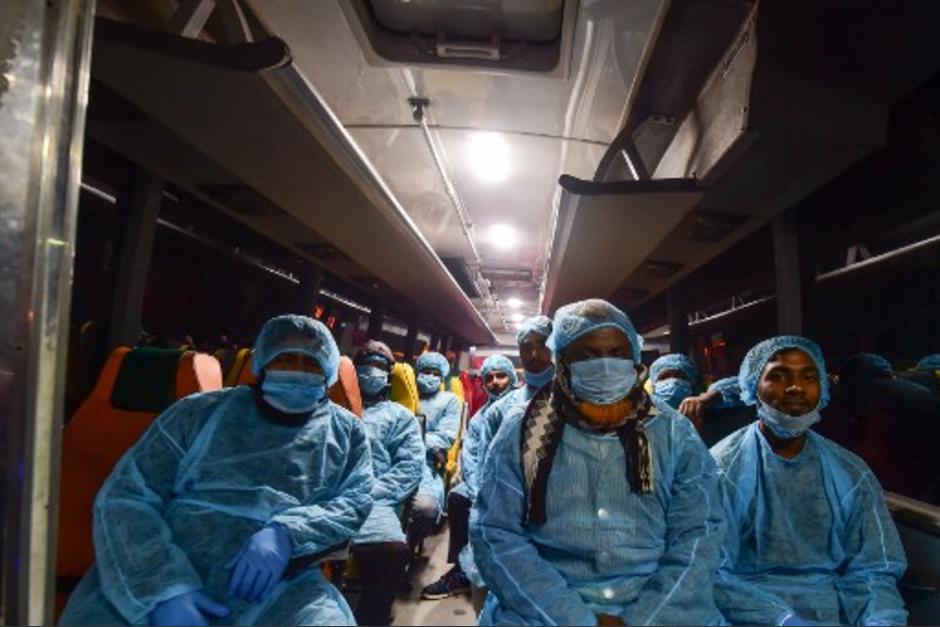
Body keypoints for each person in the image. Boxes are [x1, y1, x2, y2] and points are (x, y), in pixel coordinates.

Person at [59, 314, 374, 626]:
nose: (298, 371)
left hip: (281, 587)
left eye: (311, 363)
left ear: (328, 372)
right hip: (167, 561)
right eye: (287, 359)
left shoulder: (346, 432)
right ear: (263, 363)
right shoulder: (199, 412)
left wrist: (288, 533)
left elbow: (355, 500)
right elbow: (127, 496)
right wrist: (163, 588)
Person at [471, 299, 724, 626]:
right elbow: (495, 532)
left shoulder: (673, 431)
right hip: (544, 607)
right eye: (588, 356)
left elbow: (700, 534)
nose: (605, 366)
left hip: (658, 602)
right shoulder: (522, 429)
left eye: (617, 354)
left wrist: (642, 619)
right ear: (562, 363)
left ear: (634, 359)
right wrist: (572, 618)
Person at [711, 336, 907, 626]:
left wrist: (881, 620)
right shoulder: (722, 468)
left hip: (831, 613)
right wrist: (780, 620)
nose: (796, 387)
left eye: (809, 377)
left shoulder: (850, 472)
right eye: (779, 376)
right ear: (753, 386)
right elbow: (709, 571)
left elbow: (874, 570)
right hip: (745, 615)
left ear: (822, 387)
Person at [421, 354, 518, 600]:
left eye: (501, 376)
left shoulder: (524, 409)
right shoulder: (478, 419)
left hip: (517, 484)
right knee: (458, 497)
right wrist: (478, 492)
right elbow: (471, 457)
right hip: (483, 484)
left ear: (512, 378)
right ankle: (462, 569)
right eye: (489, 377)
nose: (495, 382)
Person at [351, 341, 425, 625]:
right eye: (366, 364)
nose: (372, 370)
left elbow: (409, 468)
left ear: (389, 374)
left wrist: (369, 493)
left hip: (375, 500)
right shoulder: (334, 408)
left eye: (379, 365)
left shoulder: (400, 417)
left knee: (391, 553)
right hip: (328, 496)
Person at [407, 351, 461, 551]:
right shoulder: (405, 394)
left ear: (442, 376)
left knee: (426, 509)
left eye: (435, 373)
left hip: (426, 463)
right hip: (392, 458)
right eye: (425, 371)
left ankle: (409, 547)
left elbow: (445, 437)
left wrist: (412, 438)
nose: (429, 376)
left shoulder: (449, 400)